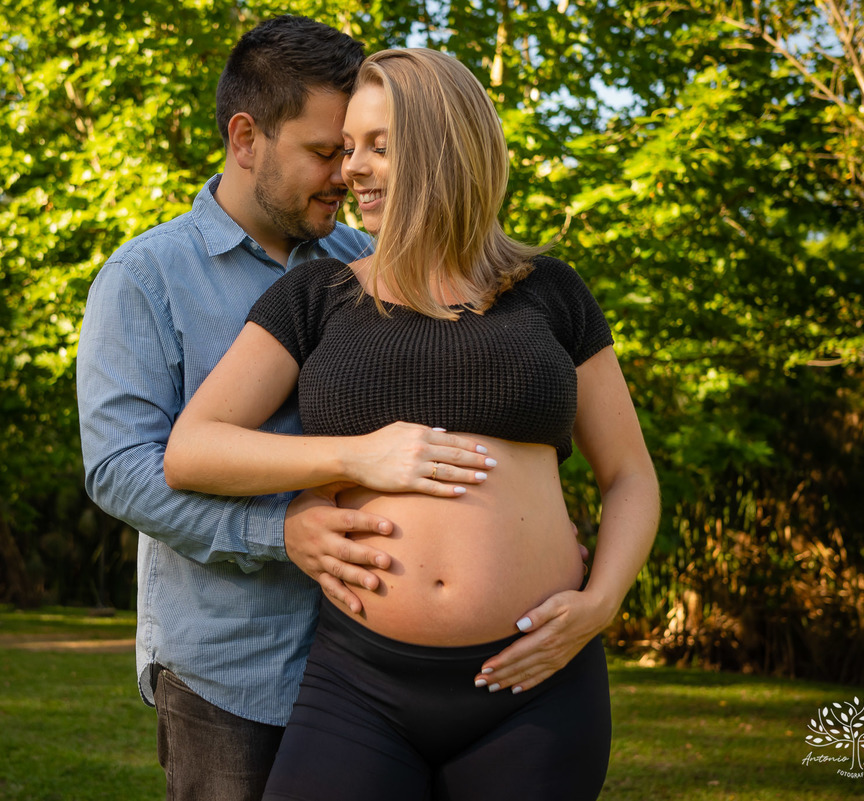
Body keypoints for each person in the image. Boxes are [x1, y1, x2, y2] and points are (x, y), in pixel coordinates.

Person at [164, 47, 661, 800]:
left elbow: (629, 474)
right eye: (347, 148)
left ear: (442, 146)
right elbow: (193, 449)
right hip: (359, 683)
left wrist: (601, 603)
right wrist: (361, 458)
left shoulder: (551, 293)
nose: (350, 169)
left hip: (537, 683)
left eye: (379, 146)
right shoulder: (316, 296)